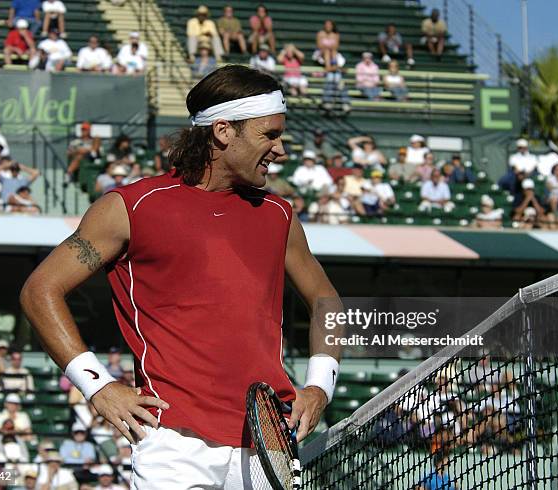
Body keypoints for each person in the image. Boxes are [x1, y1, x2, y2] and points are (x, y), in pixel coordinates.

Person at [20, 65, 341, 488]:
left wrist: (319, 387)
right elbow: (40, 290)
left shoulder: (280, 215)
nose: (281, 150)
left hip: (268, 443)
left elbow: (327, 301)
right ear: (223, 131)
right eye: (270, 135)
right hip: (173, 444)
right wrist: (98, 386)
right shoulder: (131, 206)